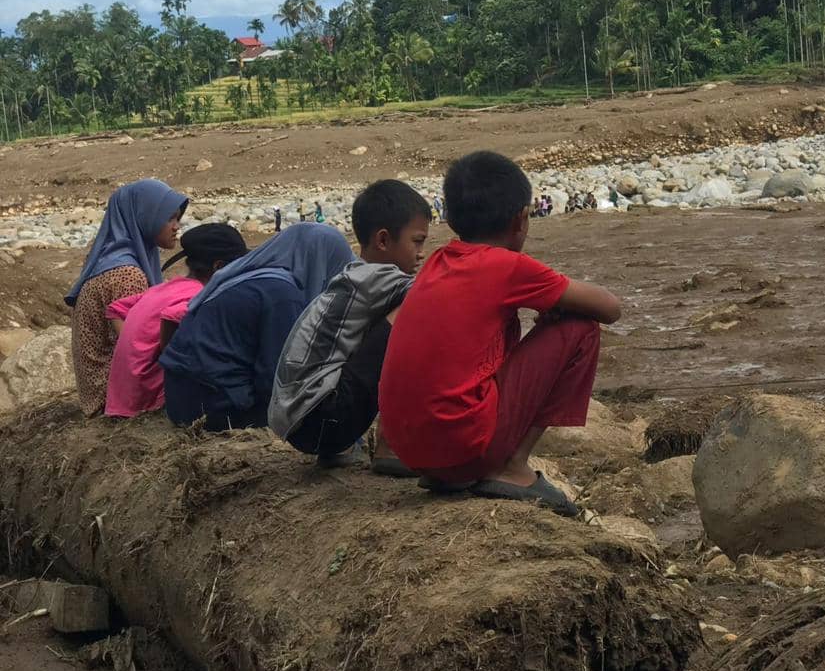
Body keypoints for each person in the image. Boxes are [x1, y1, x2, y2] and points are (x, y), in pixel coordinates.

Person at [378, 151, 622, 517]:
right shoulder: (507, 266)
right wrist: (558, 307)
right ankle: (512, 465)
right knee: (580, 327)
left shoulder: (438, 261)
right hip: (462, 449)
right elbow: (609, 308)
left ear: (451, 217)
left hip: (411, 452)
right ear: (521, 219)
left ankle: (455, 470)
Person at [270, 180, 430, 470]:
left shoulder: (354, 275)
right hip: (321, 417)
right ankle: (392, 446)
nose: (422, 253)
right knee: (416, 311)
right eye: (417, 241)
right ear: (383, 240)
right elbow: (435, 294)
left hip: (297, 420)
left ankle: (340, 450)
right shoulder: (376, 279)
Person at [160, 223, 353, 431]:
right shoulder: (283, 294)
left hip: (179, 400)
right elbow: (276, 377)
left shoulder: (250, 275)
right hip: (212, 408)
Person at [66, 179, 188, 417]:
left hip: (96, 389)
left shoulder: (110, 257)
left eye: (178, 218)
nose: (176, 227)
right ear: (144, 217)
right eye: (169, 218)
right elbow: (137, 347)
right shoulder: (127, 274)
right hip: (109, 394)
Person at [104, 224, 248, 418]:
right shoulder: (199, 296)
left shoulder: (163, 288)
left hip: (122, 397)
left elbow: (115, 309)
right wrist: (168, 358)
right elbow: (172, 316)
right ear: (219, 267)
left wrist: (135, 347)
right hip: (148, 400)